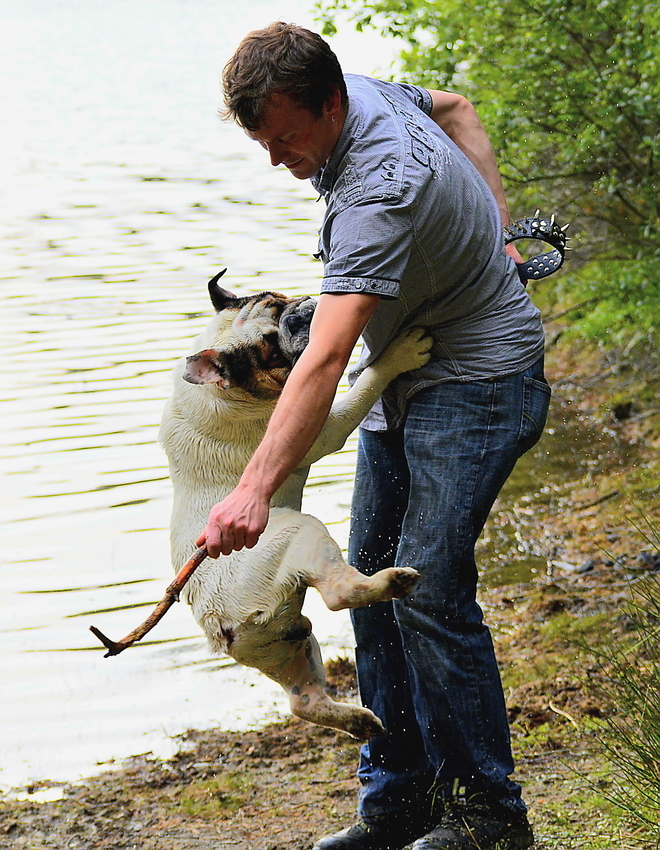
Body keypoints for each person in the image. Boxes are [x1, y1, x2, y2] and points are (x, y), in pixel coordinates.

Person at [198, 21, 550, 850]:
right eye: (261, 141)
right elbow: (459, 107)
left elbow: (321, 362)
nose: (277, 158)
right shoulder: (363, 93)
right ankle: (399, 804)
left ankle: (490, 818)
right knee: (370, 589)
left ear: (328, 106)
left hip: (478, 383)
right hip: (409, 375)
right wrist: (497, 227)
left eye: (285, 138)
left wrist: (251, 489)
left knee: (427, 589)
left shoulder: (377, 190)